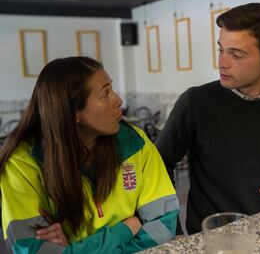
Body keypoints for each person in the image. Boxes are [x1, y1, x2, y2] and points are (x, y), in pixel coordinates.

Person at [156, 3, 260, 234]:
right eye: (220, 50)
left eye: (236, 54)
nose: (222, 62)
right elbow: (157, 168)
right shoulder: (195, 102)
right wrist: (174, 232)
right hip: (213, 238)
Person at [0, 57, 179, 253]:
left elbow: (163, 226)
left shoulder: (136, 143)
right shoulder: (22, 165)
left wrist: (75, 249)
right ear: (72, 112)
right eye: (105, 93)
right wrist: (125, 229)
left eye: (112, 88)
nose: (118, 100)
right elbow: (32, 249)